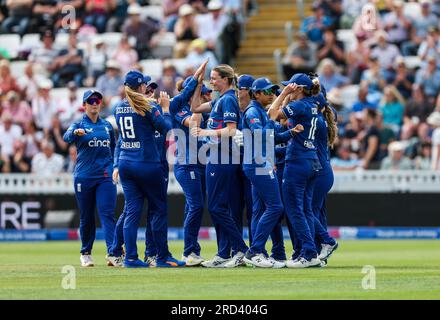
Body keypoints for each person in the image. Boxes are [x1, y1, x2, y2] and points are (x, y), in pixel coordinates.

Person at [113, 70, 184, 268]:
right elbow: (167, 128)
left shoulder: (118, 108)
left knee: (132, 211)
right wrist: (166, 108)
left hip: (126, 163)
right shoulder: (149, 106)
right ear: (141, 87)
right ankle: (162, 257)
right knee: (159, 210)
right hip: (147, 163)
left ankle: (131, 258)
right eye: (144, 84)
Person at [190, 64, 249, 268]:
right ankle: (224, 252)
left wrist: (205, 133)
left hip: (224, 156)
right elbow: (195, 108)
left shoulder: (229, 100)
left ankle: (241, 249)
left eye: (214, 78)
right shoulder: (219, 99)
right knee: (218, 206)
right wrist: (197, 85)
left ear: (226, 79)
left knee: (216, 206)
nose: (211, 81)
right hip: (216, 155)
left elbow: (231, 130)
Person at [268, 73, 323, 268]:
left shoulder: (299, 105)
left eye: (290, 86)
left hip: (298, 161)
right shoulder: (313, 105)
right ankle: (311, 252)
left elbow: (272, 114)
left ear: (298, 89)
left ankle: (308, 253)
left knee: (294, 209)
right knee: (306, 210)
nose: (287, 89)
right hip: (312, 160)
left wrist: (283, 94)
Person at [241, 78, 295, 268]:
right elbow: (260, 135)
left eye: (273, 91)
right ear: (256, 94)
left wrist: (290, 132)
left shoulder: (259, 111)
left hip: (260, 163)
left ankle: (259, 251)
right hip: (258, 164)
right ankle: (255, 251)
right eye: (267, 91)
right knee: (275, 207)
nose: (271, 94)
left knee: (261, 209)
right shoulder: (254, 112)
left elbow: (270, 136)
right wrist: (273, 118)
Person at [63, 90, 117, 267]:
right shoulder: (78, 124)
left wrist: (115, 167)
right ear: (84, 105)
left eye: (98, 100)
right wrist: (75, 133)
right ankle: (86, 252)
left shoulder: (107, 126)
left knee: (107, 214)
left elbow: (114, 149)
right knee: (87, 216)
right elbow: (66, 137)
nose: (95, 103)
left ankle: (113, 252)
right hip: (84, 177)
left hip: (105, 177)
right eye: (91, 100)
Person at [171, 61, 211, 266]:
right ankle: (189, 252)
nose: (209, 96)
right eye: (205, 92)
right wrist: (196, 94)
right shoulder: (179, 110)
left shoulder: (204, 110)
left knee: (193, 206)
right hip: (186, 164)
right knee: (195, 206)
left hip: (200, 163)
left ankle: (192, 249)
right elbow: (193, 124)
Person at [310, 91, 339, 265]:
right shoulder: (322, 118)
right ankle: (318, 252)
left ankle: (326, 242)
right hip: (321, 169)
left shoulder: (317, 122)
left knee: (305, 210)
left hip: (319, 171)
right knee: (316, 212)